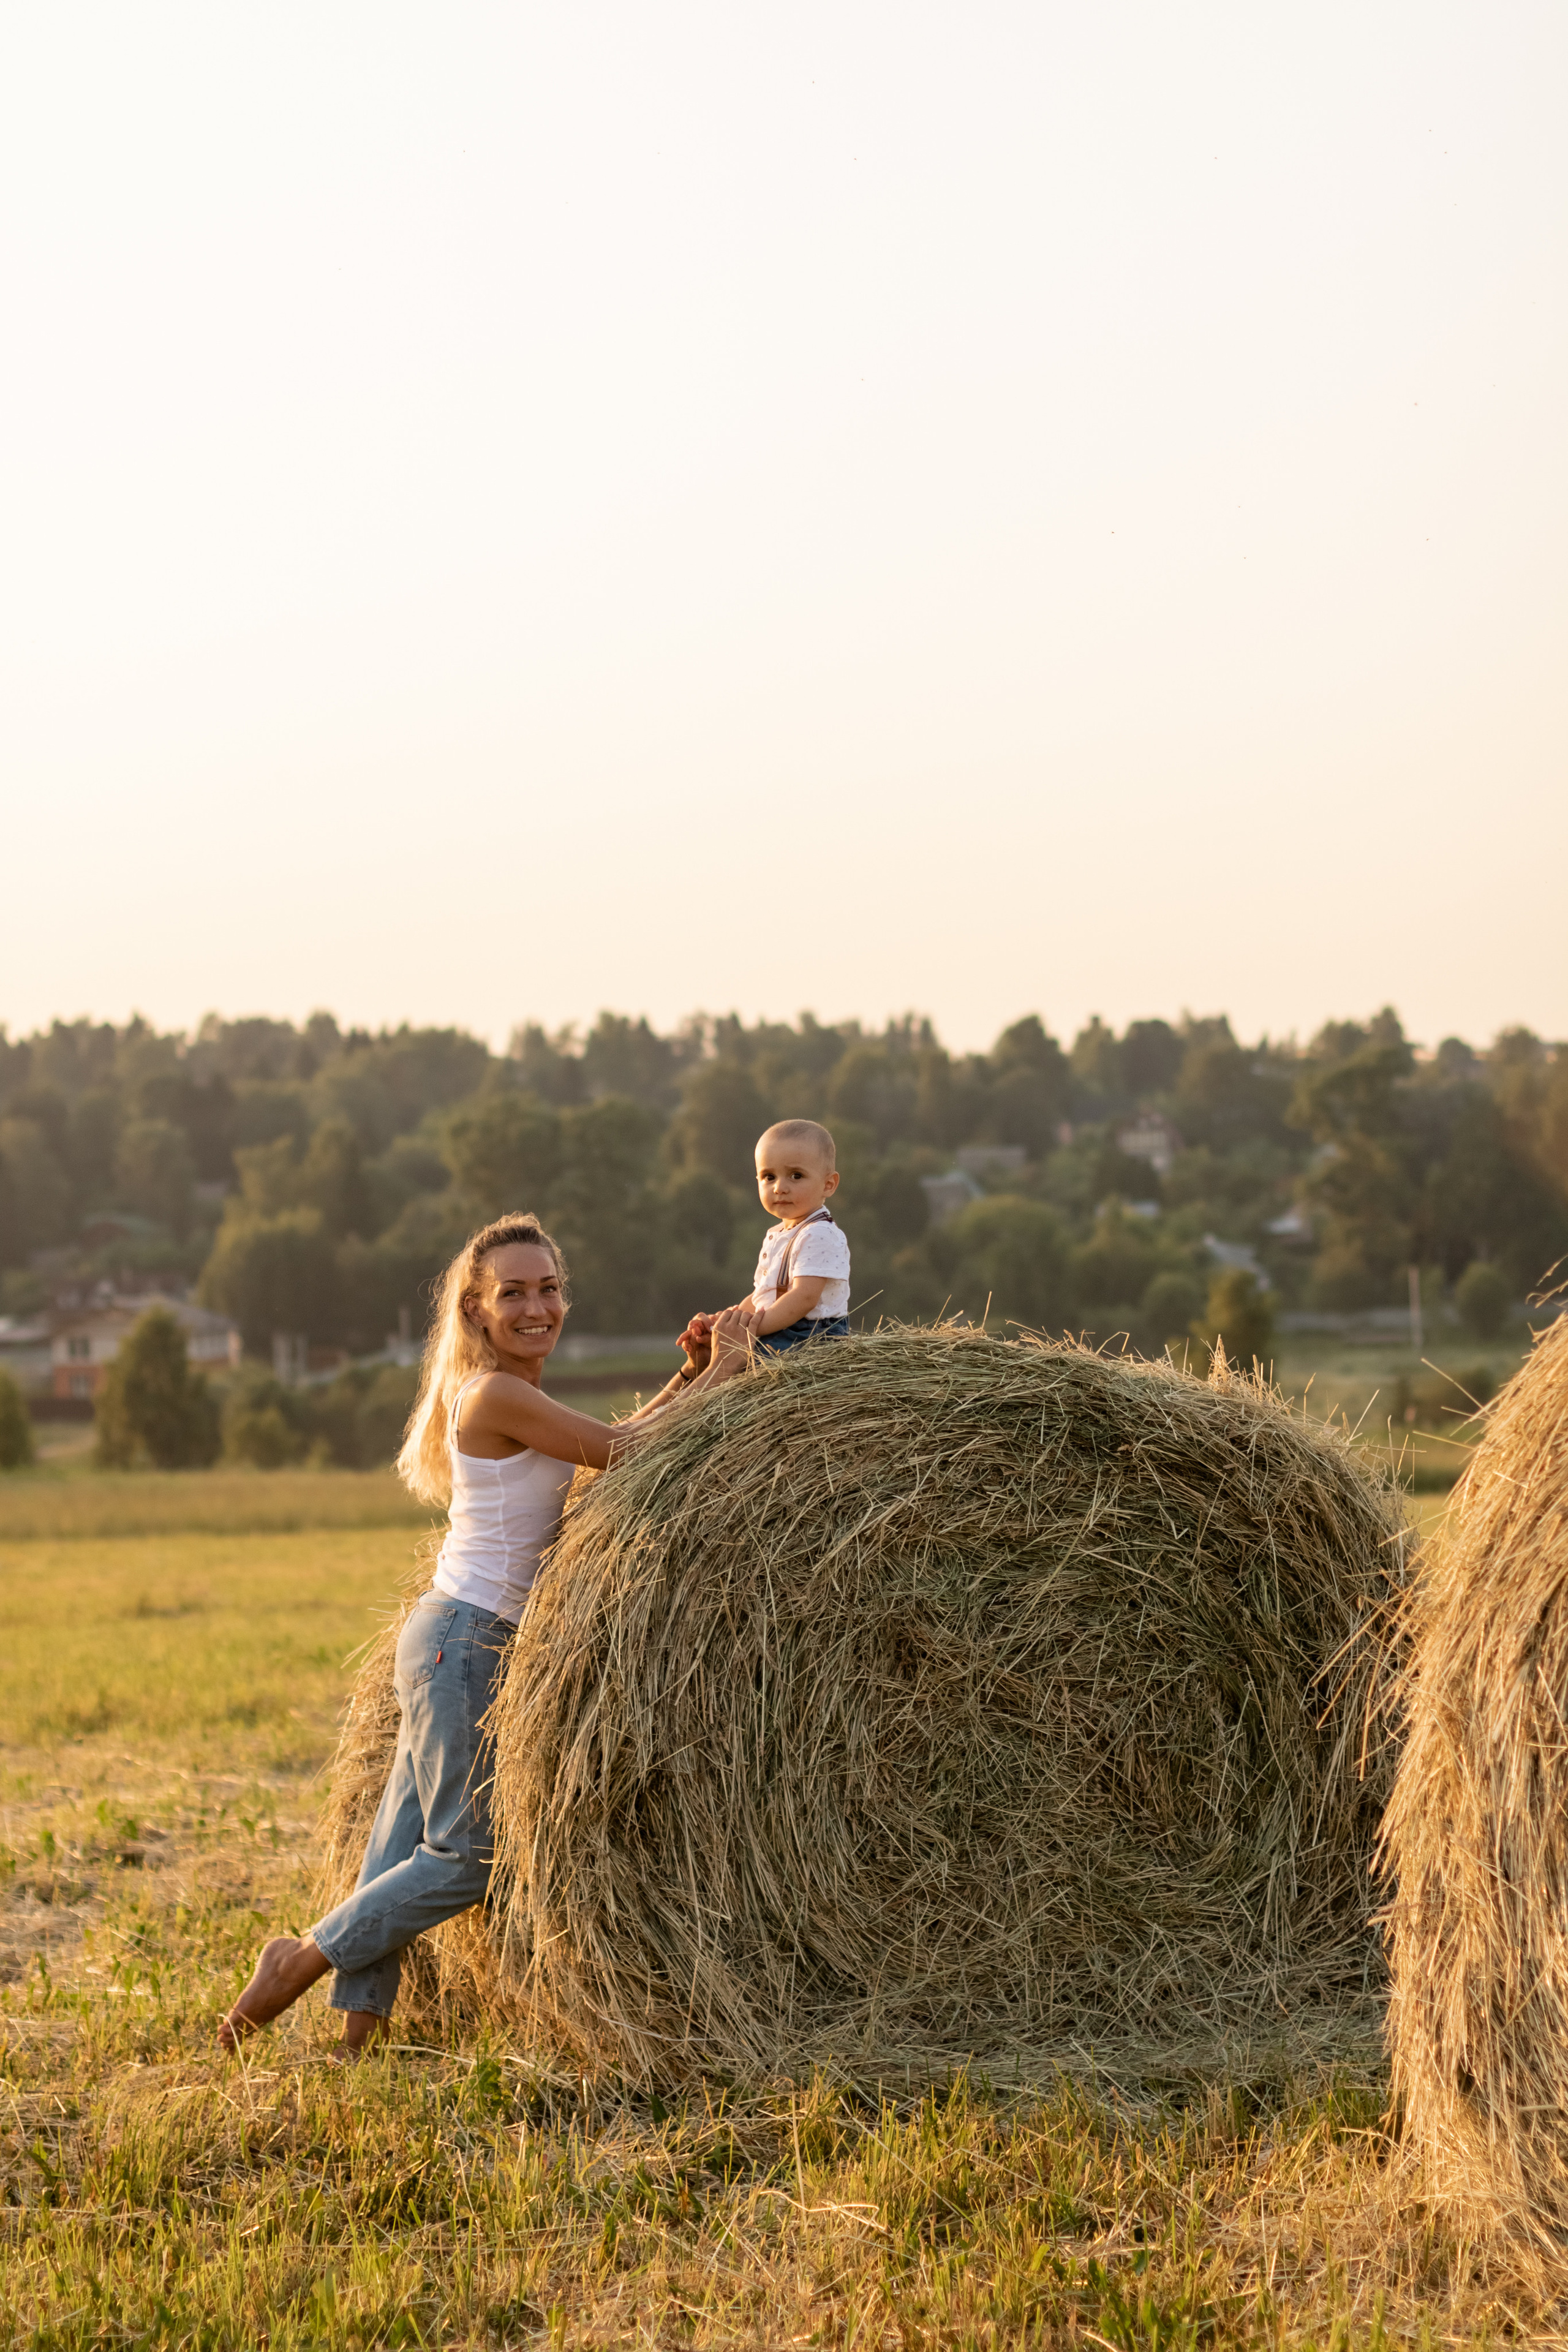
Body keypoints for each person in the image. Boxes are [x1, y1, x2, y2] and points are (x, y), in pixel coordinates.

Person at [218, 1212, 756, 2054]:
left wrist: (689, 1377)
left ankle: (357, 2037)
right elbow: (623, 1453)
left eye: (549, 1289)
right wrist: (726, 1369)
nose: (536, 1307)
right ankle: (297, 1961)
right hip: (464, 1642)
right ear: (475, 1309)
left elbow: (612, 1446)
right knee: (465, 1857)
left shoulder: (516, 1395)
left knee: (397, 1846)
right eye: (514, 1293)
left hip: (453, 1637)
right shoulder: (494, 1394)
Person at [685, 1118, 852, 1362]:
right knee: (719, 1353)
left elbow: (804, 1298)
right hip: (784, 1328)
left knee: (738, 1361)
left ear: (828, 1184)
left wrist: (749, 1329)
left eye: (796, 1176)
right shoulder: (779, 1234)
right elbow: (762, 1297)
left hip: (812, 1336)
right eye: (769, 1177)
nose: (779, 1187)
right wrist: (725, 1322)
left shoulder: (819, 1233)